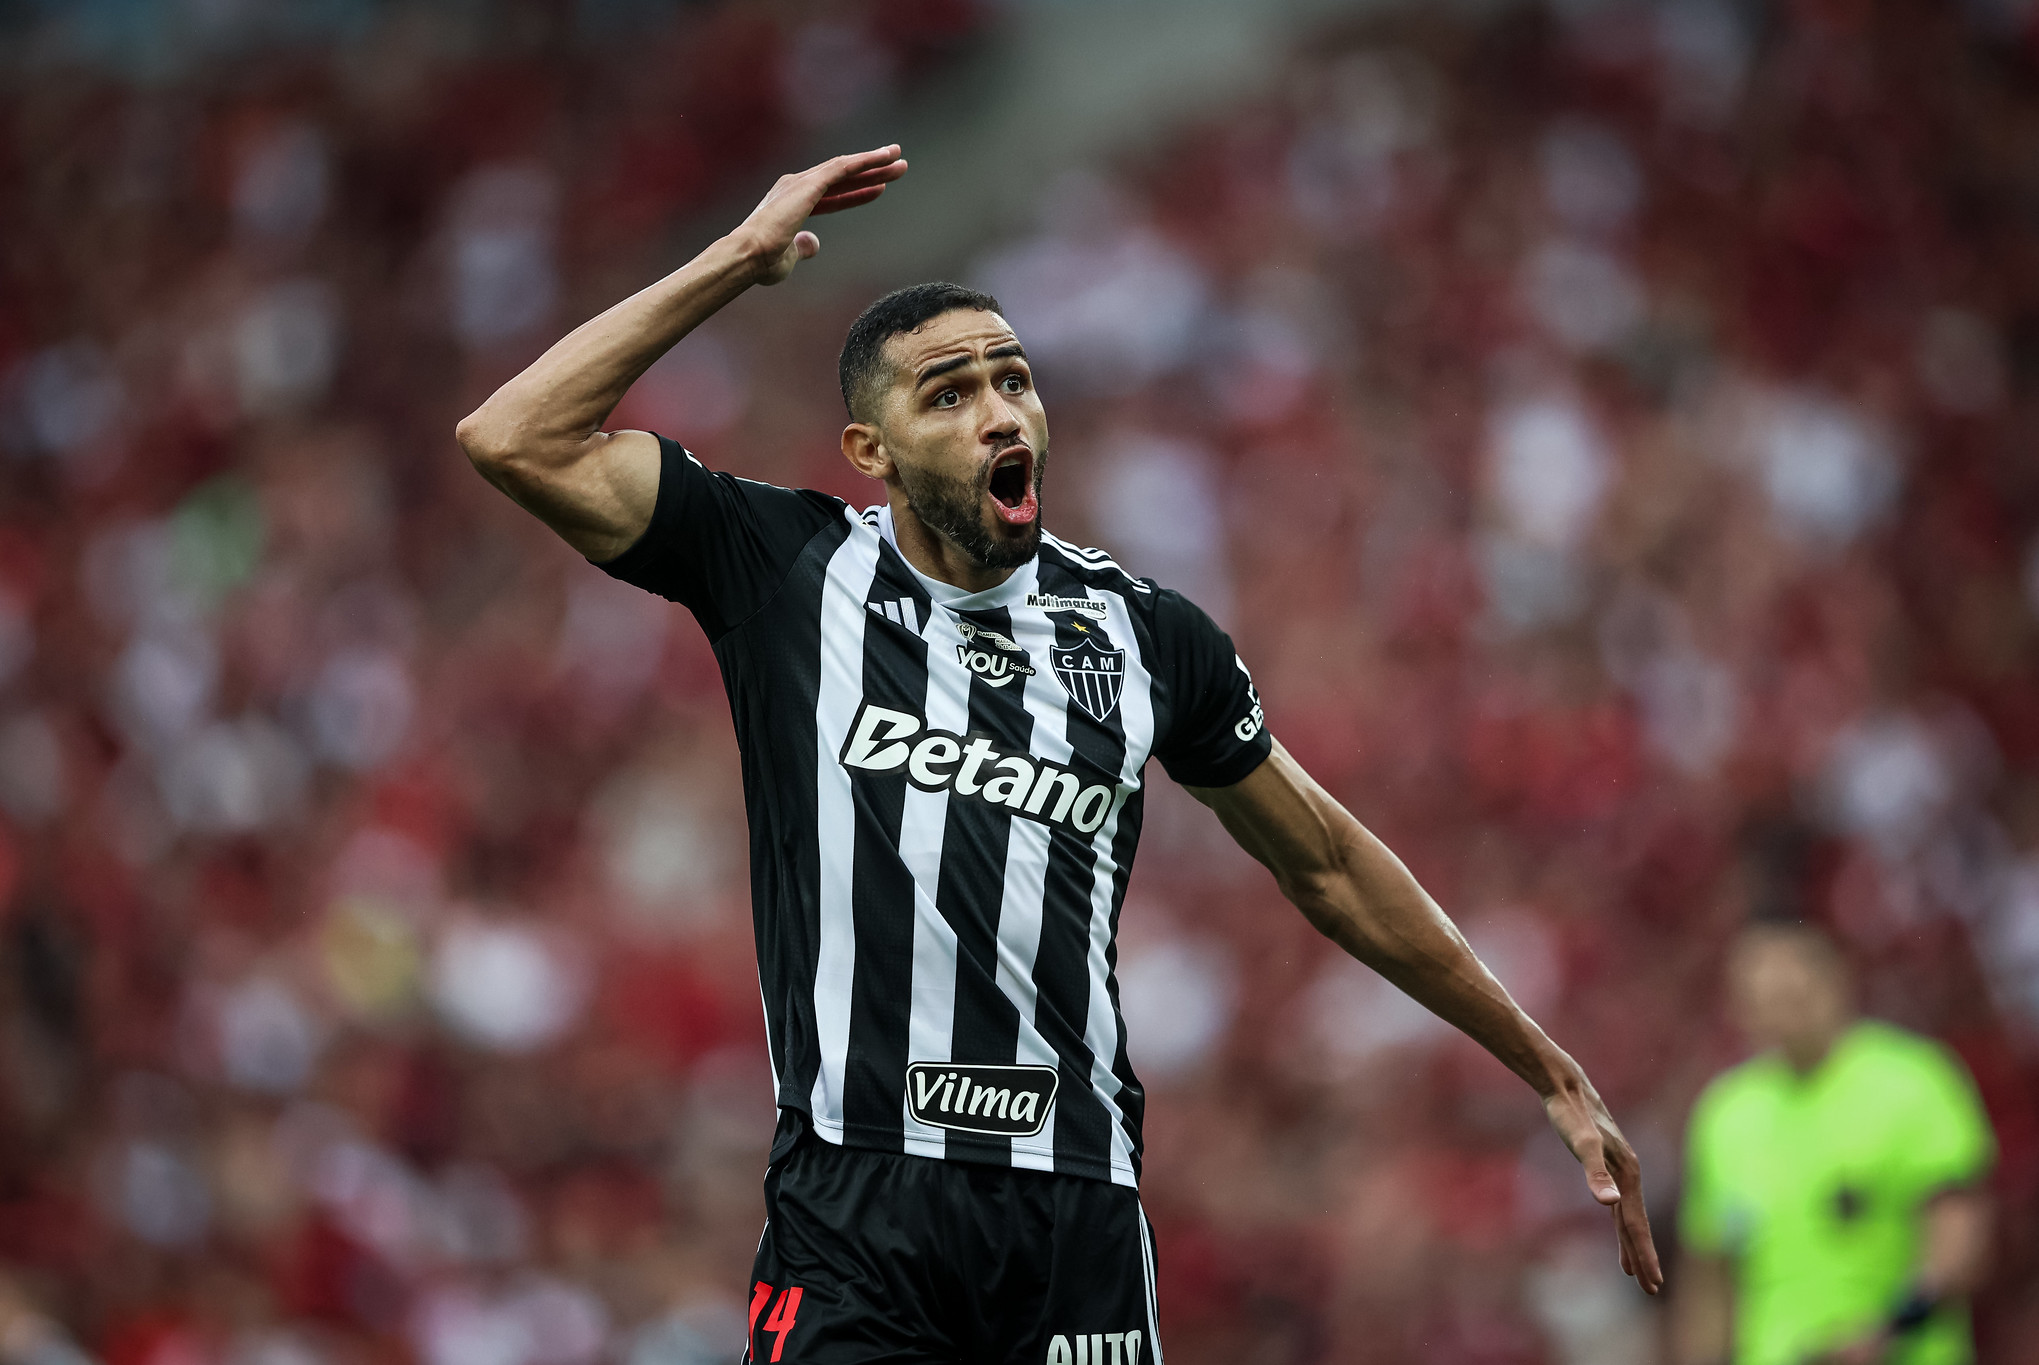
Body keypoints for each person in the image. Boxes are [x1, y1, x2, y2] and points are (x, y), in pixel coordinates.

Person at [456, 145, 1661, 1364]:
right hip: (856, 1207)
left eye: (1012, 380)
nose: (996, 412)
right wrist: (735, 260)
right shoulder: (784, 568)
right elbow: (515, 436)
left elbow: (1330, 866)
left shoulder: (1144, 634)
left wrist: (1546, 1066)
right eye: (946, 394)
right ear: (870, 453)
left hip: (1071, 1207)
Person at [1673, 921, 1995, 1365]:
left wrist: (1889, 1329)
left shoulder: (1912, 1083)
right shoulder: (1725, 1115)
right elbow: (1711, 1286)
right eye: (1761, 997)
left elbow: (1960, 1240)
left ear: (1837, 981)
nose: (1780, 1010)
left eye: (1792, 991)